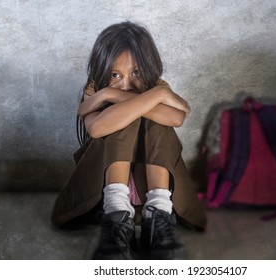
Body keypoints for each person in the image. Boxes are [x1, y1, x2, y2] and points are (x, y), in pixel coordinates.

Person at [51, 21, 206, 260]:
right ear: (102, 71)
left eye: (136, 72)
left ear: (149, 66)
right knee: (122, 117)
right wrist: (116, 95)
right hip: (101, 193)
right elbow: (96, 127)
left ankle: (158, 215)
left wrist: (114, 95)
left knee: (150, 116)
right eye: (115, 75)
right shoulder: (96, 88)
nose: (125, 83)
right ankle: (116, 216)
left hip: (149, 189)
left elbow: (175, 118)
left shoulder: (155, 87)